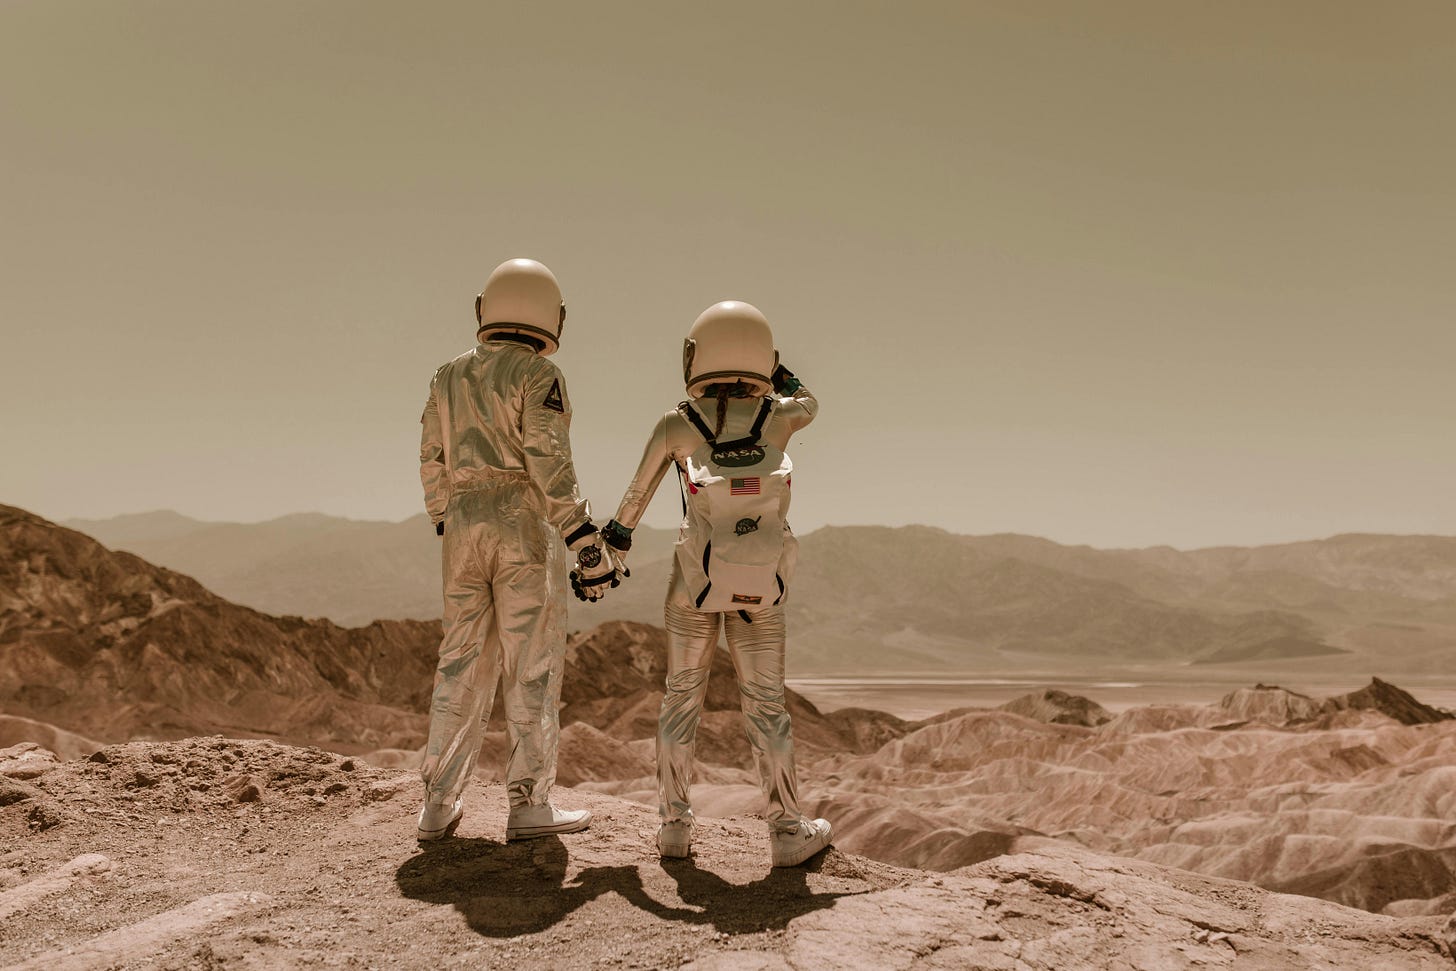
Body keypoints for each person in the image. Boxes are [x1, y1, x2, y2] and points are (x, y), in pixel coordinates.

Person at [599, 300, 833, 867]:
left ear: (696, 354)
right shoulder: (778, 416)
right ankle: (785, 832)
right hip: (761, 586)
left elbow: (634, 499)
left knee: (681, 699)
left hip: (692, 583)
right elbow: (811, 401)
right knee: (767, 707)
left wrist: (609, 548)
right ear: (761, 354)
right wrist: (777, 372)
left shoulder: (677, 423)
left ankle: (675, 829)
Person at [416, 258, 623, 842]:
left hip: (461, 524)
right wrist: (582, 535)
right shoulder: (539, 375)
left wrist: (445, 516)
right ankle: (529, 803)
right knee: (529, 663)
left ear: (487, 307)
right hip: (522, 523)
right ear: (549, 314)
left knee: (460, 660)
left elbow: (430, 455)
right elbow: (547, 458)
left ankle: (437, 803)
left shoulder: (446, 376)